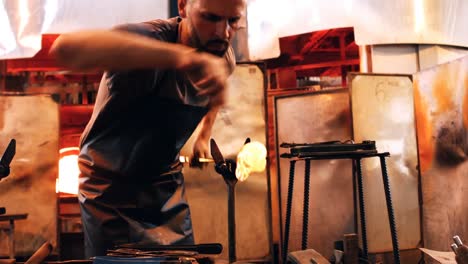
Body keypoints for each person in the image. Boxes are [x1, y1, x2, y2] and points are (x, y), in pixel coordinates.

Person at [50, 0, 246, 257]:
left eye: (233, 21)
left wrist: (204, 135)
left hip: (165, 185)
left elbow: (213, 96)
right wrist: (184, 59)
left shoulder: (223, 56)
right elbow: (66, 49)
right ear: (183, 6)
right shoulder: (149, 39)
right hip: (110, 190)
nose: (223, 33)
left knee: (182, 262)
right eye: (210, 18)